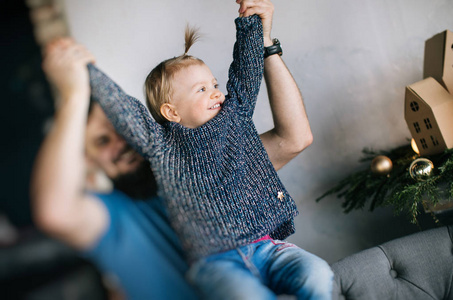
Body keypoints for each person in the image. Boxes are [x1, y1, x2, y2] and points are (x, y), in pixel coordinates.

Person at [30, 0, 318, 299]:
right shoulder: (116, 217)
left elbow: (294, 138)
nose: (122, 143)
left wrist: (264, 42)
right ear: (86, 159)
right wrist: (73, 96)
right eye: (102, 141)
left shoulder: (215, 167)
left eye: (122, 130)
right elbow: (55, 210)